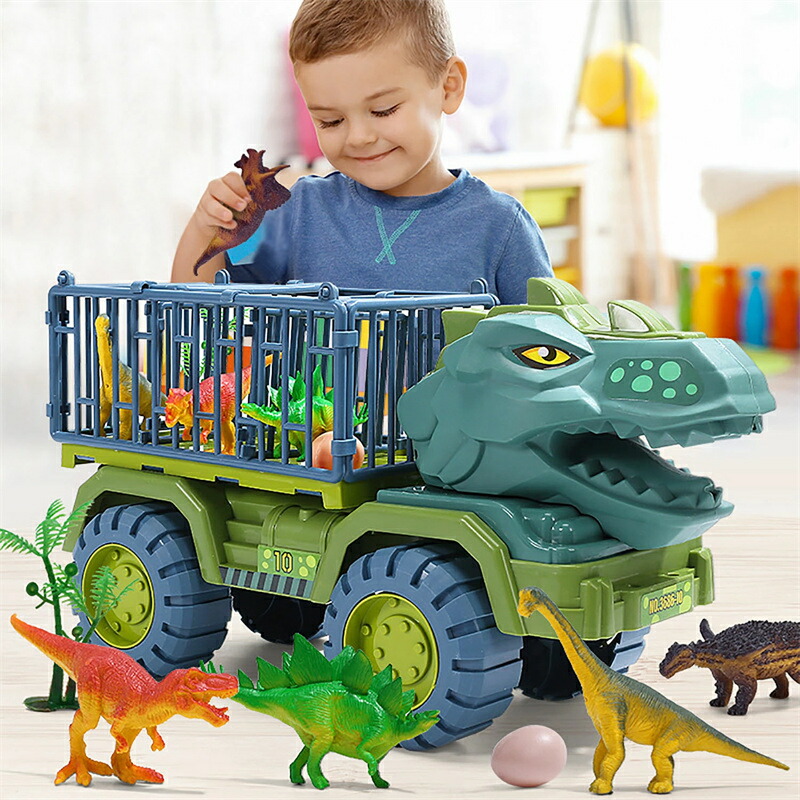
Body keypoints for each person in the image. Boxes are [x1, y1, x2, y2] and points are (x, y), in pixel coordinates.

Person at [171, 0, 552, 304]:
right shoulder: (296, 212)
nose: (358, 137)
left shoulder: (500, 227)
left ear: (448, 88)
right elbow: (200, 310)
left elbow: (549, 351)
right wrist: (207, 227)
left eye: (383, 110)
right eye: (331, 121)